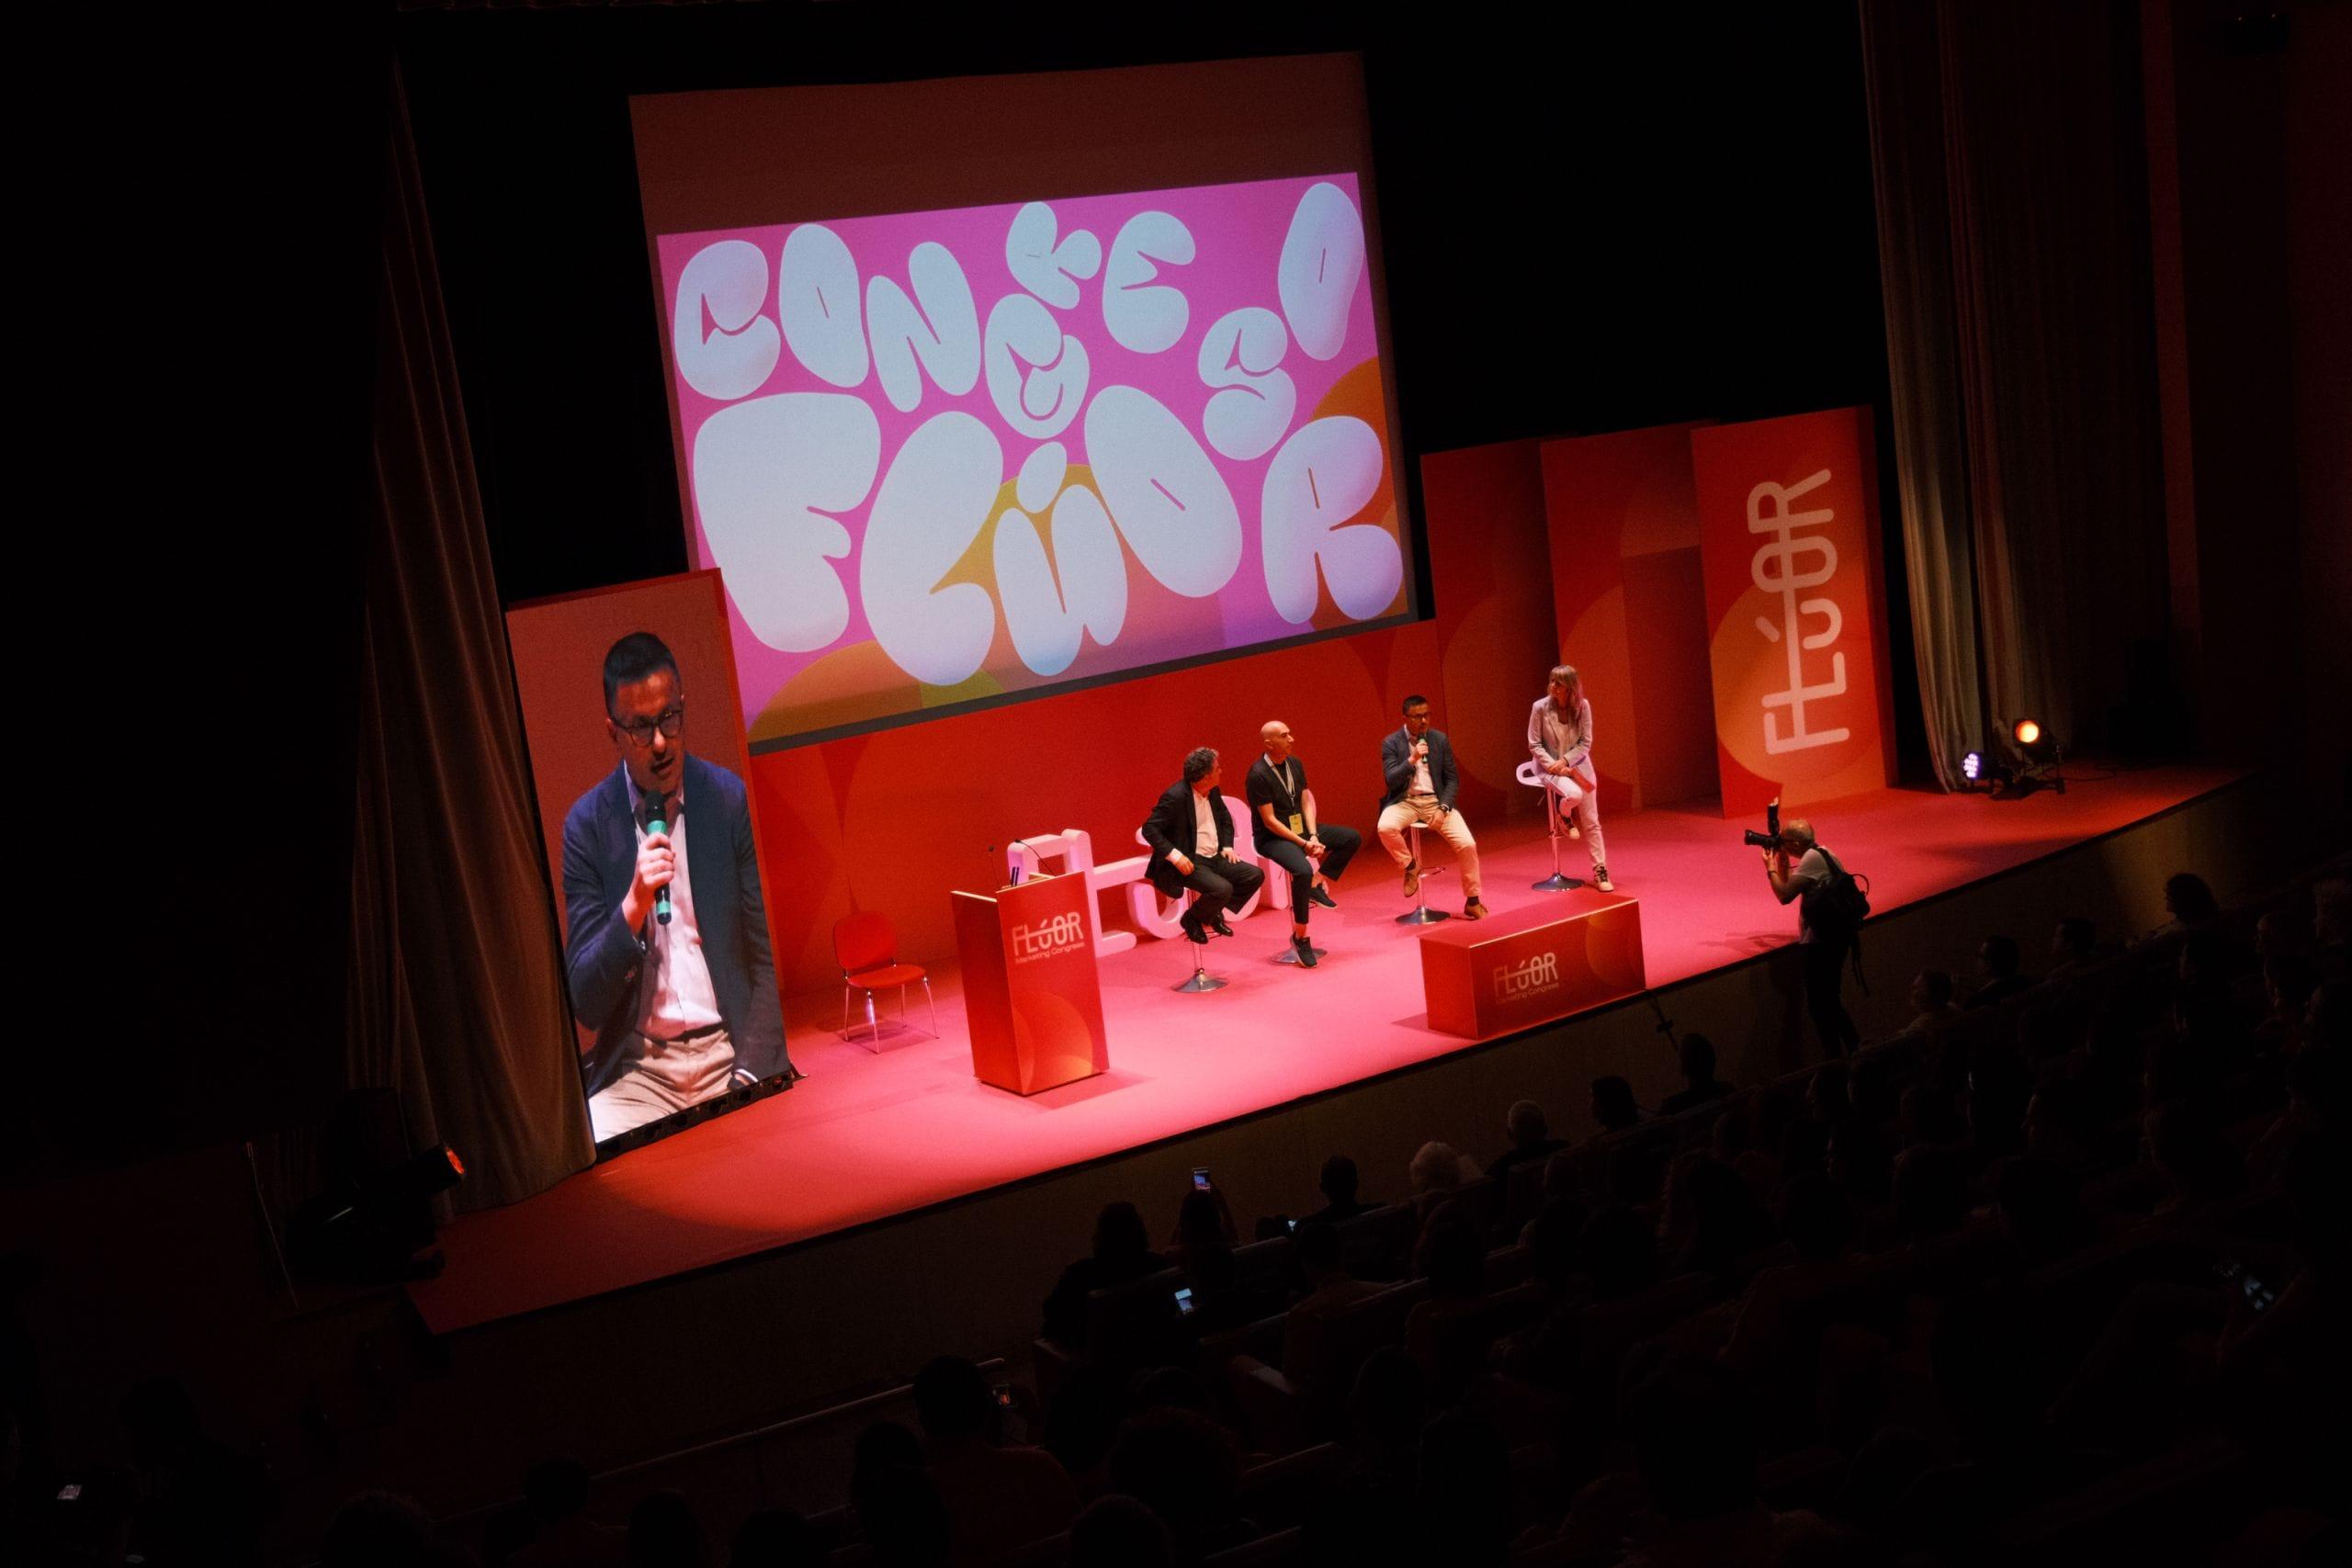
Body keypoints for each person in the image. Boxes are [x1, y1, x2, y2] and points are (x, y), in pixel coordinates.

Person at [562, 633, 793, 1145]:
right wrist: (632, 905)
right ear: (613, 732)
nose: (661, 742)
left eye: (669, 717)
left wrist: (748, 1074)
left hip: (726, 1053)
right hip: (641, 1072)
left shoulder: (726, 799)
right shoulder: (587, 826)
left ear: (684, 707)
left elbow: (763, 958)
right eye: (641, 728)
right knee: (589, 1151)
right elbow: (587, 1001)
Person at [1244, 720, 1363, 968]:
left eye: (1290, 734)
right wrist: (1303, 843)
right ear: (1269, 744)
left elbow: (1305, 801)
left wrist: (1314, 836)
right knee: (1301, 870)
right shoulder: (1258, 775)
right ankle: (1301, 937)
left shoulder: (1295, 764)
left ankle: (1317, 884)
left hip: (1302, 830)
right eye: (1284, 736)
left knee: (1351, 838)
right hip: (1273, 838)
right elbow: (1269, 820)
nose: (1291, 739)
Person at [1140, 747, 1267, 944]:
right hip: (1190, 859)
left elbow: (1225, 819)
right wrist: (1175, 856)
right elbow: (1150, 829)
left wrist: (1227, 846)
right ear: (1205, 776)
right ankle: (1191, 919)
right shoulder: (1175, 796)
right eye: (1217, 768)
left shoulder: (1212, 790)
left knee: (1254, 876)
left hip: (1215, 856)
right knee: (1222, 889)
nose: (1221, 771)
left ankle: (1212, 912)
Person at [1376, 694, 1487, 919]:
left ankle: (1473, 900)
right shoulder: (1391, 743)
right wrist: (1412, 759)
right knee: (1385, 828)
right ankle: (1410, 867)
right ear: (1405, 717)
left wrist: (1443, 807)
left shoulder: (1439, 740)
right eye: (1417, 717)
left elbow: (1452, 779)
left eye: (1427, 715)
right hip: (1405, 801)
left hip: (1436, 802)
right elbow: (1391, 779)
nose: (1424, 721)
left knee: (1467, 844)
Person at [1762, 816, 1863, 1057]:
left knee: (1820, 1006)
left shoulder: (1810, 860)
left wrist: (1771, 868)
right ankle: (1854, 1051)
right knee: (1831, 1001)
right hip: (1837, 936)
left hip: (1821, 944)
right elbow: (1793, 884)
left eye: (1784, 841)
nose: (1781, 843)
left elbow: (1784, 895)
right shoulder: (1823, 852)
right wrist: (1783, 862)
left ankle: (1836, 1058)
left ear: (1796, 844)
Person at [1527, 663, 1612, 890]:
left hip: (1578, 766)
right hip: (1548, 767)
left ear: (1570, 687)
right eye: (1552, 680)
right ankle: (1563, 816)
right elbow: (1534, 743)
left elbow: (1586, 742)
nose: (1553, 686)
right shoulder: (1540, 708)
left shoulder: (1582, 706)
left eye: (1558, 682)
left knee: (1592, 821)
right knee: (1573, 794)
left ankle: (1600, 870)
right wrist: (1555, 766)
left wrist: (1566, 761)